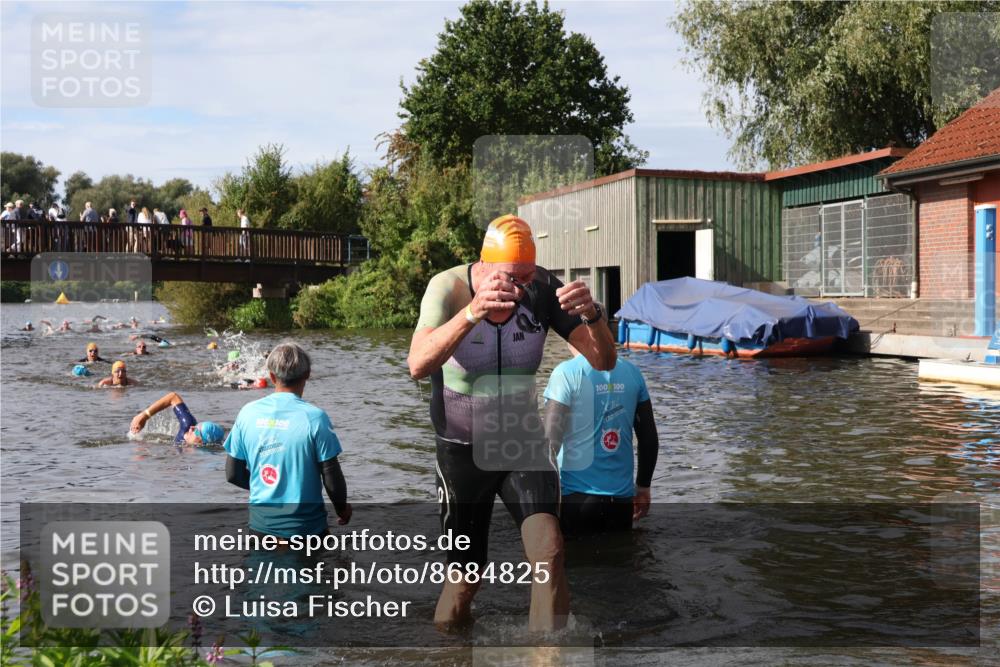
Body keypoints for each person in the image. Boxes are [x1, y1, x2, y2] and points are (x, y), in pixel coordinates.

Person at [407, 214, 616, 632]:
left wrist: (593, 316)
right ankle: (449, 656)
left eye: (527, 277)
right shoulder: (448, 288)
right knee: (466, 580)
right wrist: (471, 313)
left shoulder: (542, 290)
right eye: (509, 278)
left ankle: (546, 657)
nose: (520, 289)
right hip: (461, 449)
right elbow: (417, 363)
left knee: (550, 552)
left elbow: (604, 361)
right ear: (483, 267)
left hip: (522, 442)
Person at [223, 342, 351, 537]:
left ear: (272, 377)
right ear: (307, 374)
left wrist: (269, 486)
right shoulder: (315, 418)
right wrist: (342, 509)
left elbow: (233, 474)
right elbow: (331, 476)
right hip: (307, 531)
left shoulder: (247, 413)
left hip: (261, 530)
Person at [543, 340, 658, 536]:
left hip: (575, 500)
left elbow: (549, 443)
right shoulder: (632, 372)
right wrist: (643, 488)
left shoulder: (566, 373)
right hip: (622, 502)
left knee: (576, 565)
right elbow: (648, 439)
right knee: (620, 563)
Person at [130, 391, 225, 446]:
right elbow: (173, 397)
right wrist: (144, 416)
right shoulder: (188, 424)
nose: (192, 428)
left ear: (202, 443)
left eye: (196, 431)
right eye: (197, 426)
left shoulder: (190, 460)